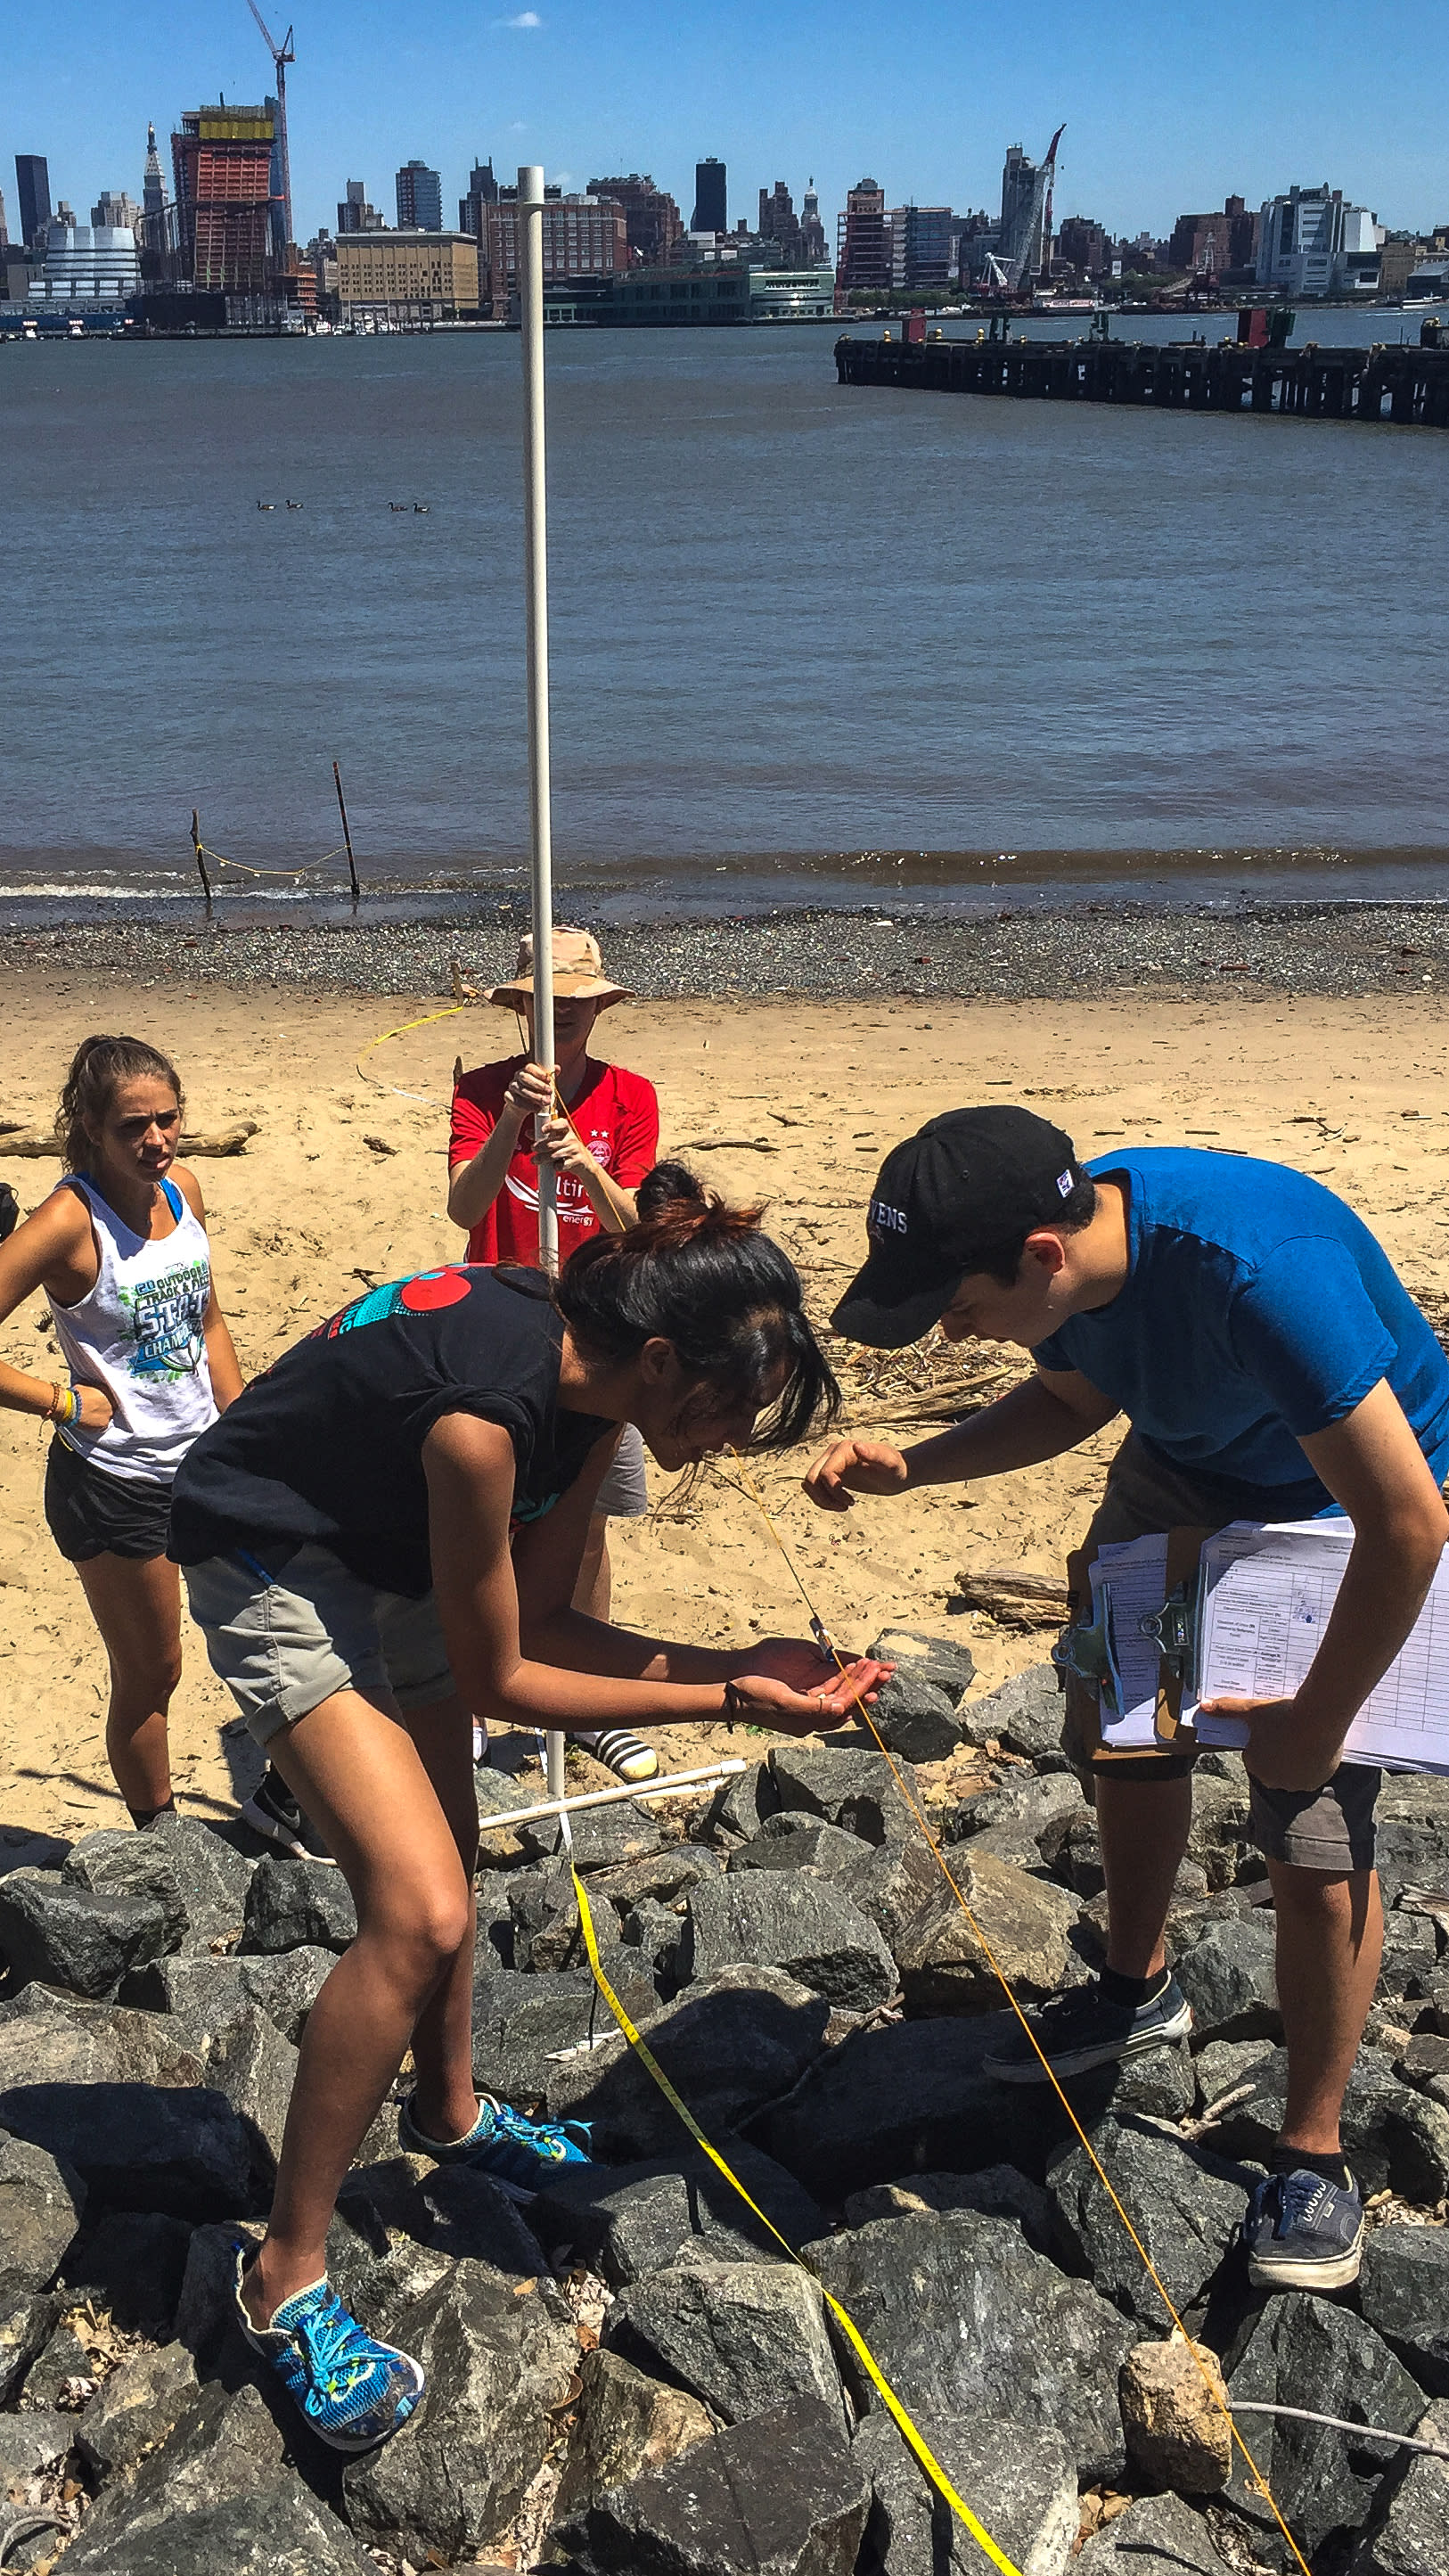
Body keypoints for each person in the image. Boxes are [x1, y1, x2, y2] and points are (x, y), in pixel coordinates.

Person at [168, 1165, 885, 2449]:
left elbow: (549, 1622)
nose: (729, 1438)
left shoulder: (602, 1378)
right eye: (730, 1407)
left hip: (393, 1541)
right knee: (418, 1910)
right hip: (271, 1548)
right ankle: (282, 2274)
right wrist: (733, 1694)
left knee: (445, 1857)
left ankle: (448, 2111)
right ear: (664, 1361)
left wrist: (744, 1662)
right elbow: (505, 1674)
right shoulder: (485, 1420)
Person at [806, 1104, 1449, 2294]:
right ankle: (1132, 1986)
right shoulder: (1069, 1267)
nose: (955, 1332)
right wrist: (917, 1463)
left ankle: (1312, 2151)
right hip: (1181, 1467)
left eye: (960, 1306)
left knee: (1308, 1819)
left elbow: (1408, 1524)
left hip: (1349, 1498)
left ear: (1042, 1257)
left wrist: (1310, 1722)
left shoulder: (1258, 1275)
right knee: (1118, 1723)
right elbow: (1066, 1402)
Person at [0, 1035, 243, 1830]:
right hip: (115, 1483)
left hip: (203, 1462)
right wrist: (57, 1402)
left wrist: (245, 1433)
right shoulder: (70, 1222)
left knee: (274, 1628)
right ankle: (162, 1837)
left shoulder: (184, 1192)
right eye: (133, 1127)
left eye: (167, 1121)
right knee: (155, 1670)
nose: (156, 1141)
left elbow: (207, 1320)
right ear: (91, 1129)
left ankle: (279, 1791)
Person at [448, 924, 662, 1783]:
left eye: (576, 1001)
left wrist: (581, 1162)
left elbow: (640, 1231)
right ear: (523, 1010)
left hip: (598, 1329)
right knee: (488, 1523)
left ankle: (584, 1694)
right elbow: (464, 1210)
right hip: (500, 1321)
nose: (561, 1013)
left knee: (584, 1524)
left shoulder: (629, 1096)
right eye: (546, 1001)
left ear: (599, 1008)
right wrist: (508, 1125)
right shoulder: (480, 1088)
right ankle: (472, 1696)